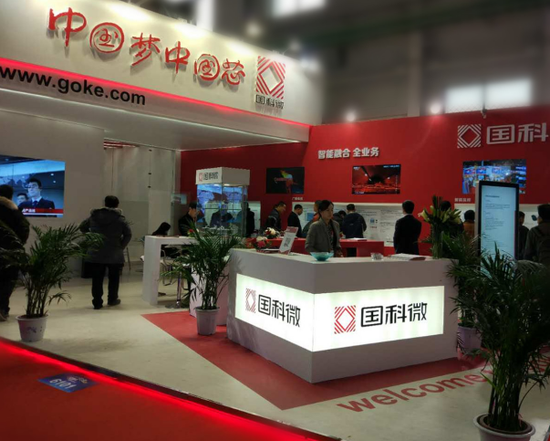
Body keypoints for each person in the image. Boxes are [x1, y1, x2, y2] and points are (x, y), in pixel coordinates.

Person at [80, 196, 132, 310]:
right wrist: (121, 246)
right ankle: (112, 299)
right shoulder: (119, 219)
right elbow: (128, 234)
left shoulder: (94, 216)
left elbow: (82, 227)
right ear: (117, 205)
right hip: (114, 252)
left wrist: (91, 238)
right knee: (114, 278)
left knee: (97, 279)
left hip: (96, 251)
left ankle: (97, 302)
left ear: (105, 203)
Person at [0, 185, 30, 321]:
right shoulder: (14, 211)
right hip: (10, 253)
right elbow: (24, 230)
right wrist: (17, 244)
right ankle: (2, 309)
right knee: (7, 281)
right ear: (11, 196)